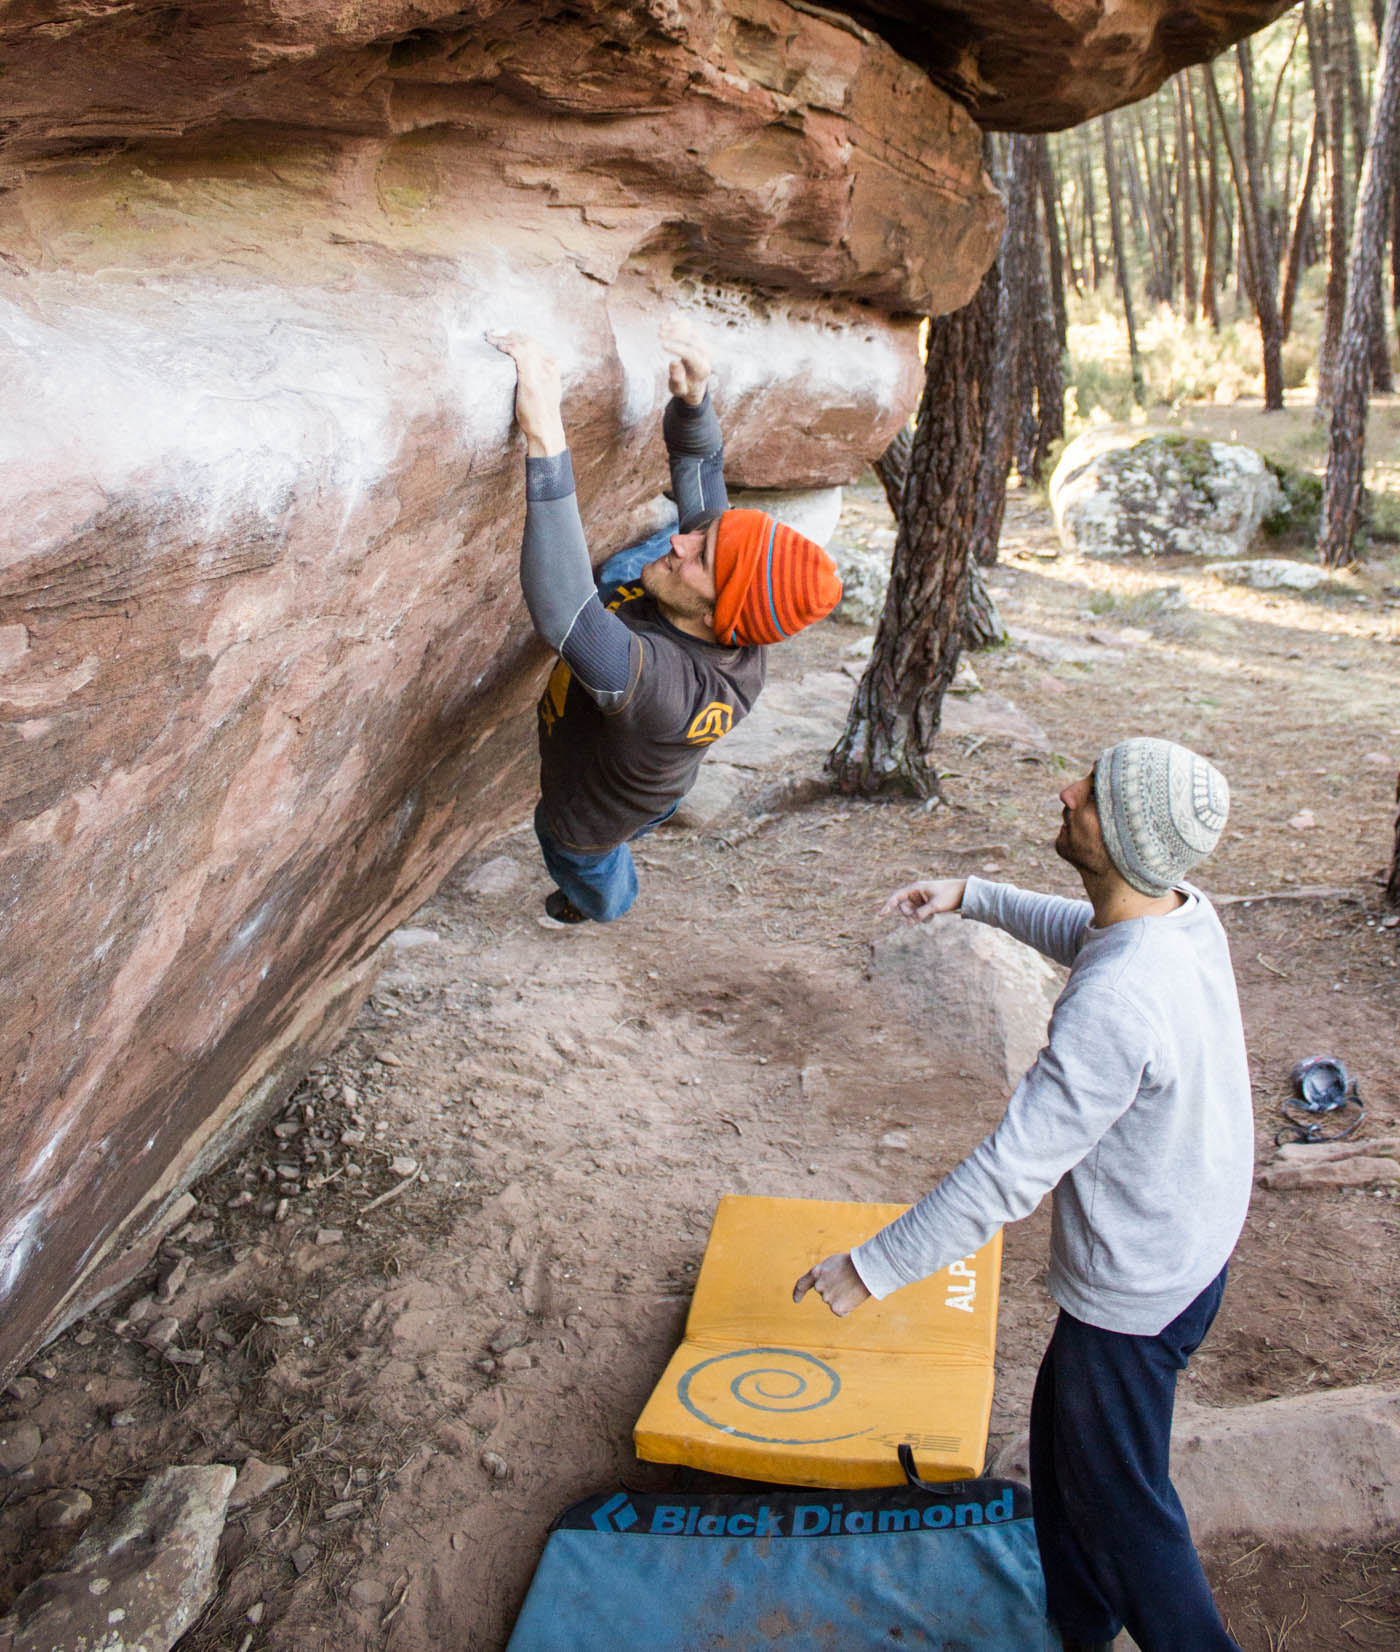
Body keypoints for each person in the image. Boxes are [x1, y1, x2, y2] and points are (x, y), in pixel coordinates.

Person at [794, 738, 1250, 1652]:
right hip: (1197, 1247)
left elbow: (1010, 1172)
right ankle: (1081, 1621)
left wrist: (875, 1267)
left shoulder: (1115, 1004)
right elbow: (1094, 933)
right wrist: (978, 897)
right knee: (1062, 1443)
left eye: (1090, 793)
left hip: (1138, 1293)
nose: (1066, 790)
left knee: (1127, 1508)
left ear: (1117, 839)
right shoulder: (1182, 915)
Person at [489, 323, 841, 925]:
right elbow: (700, 464)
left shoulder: (665, 692)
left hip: (593, 814)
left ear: (717, 614)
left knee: (573, 850)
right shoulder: (732, 609)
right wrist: (694, 399)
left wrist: (545, 433)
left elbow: (563, 609)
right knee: (649, 558)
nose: (684, 540)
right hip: (651, 758)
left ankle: (599, 902)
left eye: (700, 557)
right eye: (706, 537)